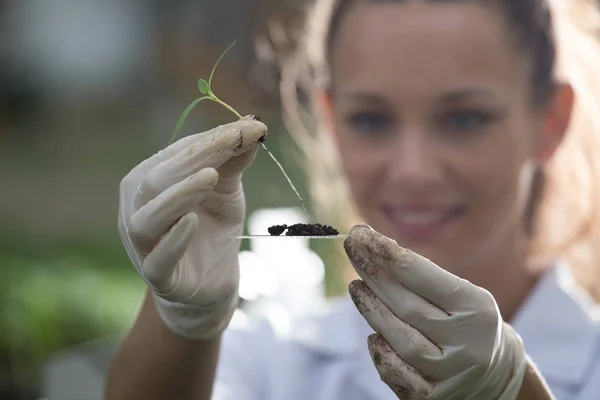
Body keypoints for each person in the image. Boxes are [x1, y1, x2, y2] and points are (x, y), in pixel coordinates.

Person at [105, 0, 600, 398]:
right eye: (371, 120)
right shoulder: (273, 366)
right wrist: (182, 323)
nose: (413, 171)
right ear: (330, 120)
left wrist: (512, 391)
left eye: (464, 118)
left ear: (550, 123)